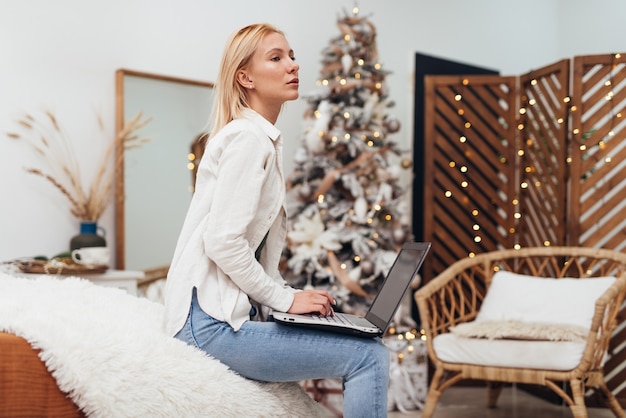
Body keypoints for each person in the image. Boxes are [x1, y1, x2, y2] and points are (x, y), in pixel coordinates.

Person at [163, 23, 390, 417]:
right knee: (367, 356)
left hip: (210, 320)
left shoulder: (256, 138)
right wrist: (285, 299)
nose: (292, 65)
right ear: (245, 77)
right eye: (276, 58)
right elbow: (223, 242)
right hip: (208, 327)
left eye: (291, 56)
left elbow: (251, 251)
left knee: (361, 346)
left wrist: (289, 300)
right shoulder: (248, 140)